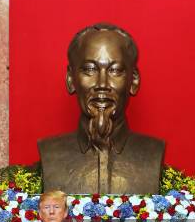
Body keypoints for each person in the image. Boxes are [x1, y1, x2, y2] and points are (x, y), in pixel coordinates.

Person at [38, 23, 165, 195]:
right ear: (70, 79)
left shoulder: (152, 152)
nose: (102, 84)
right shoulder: (50, 153)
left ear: (134, 81)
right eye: (90, 69)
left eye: (115, 70)